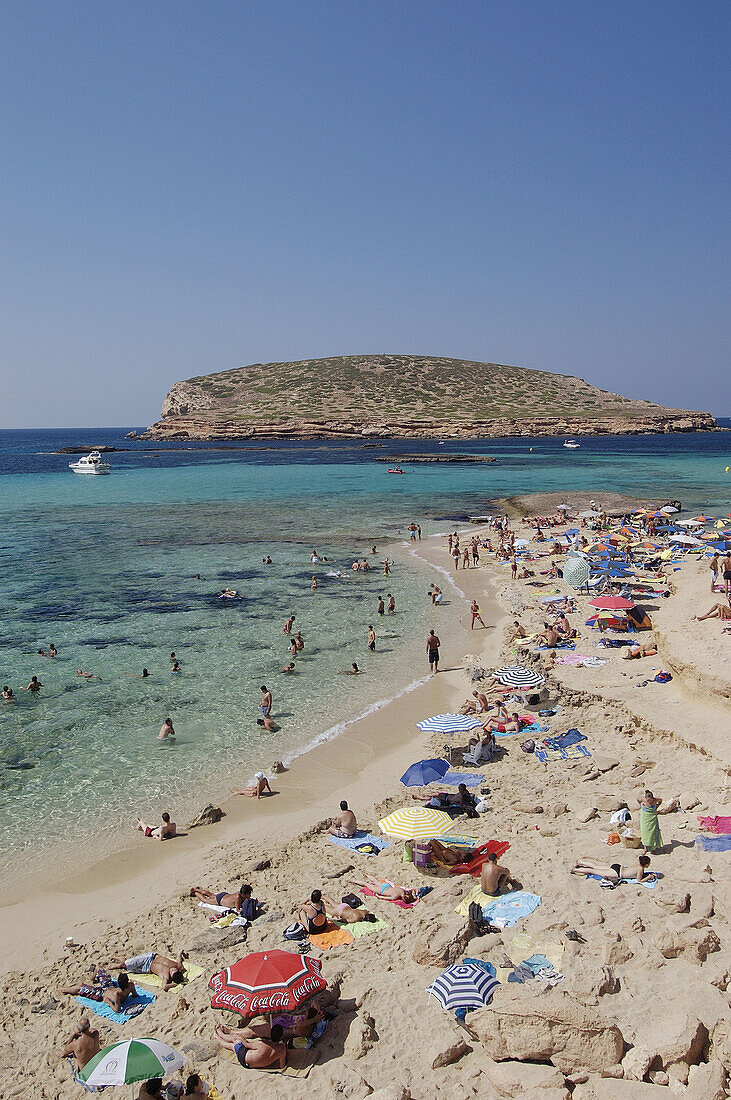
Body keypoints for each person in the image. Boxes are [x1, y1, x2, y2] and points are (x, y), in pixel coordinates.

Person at [60, 969, 136, 1013]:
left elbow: (117, 1010)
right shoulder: (131, 985)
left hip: (102, 994)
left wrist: (108, 1002)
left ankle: (64, 990)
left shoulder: (117, 994)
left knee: (81, 987)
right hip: (109, 987)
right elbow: (135, 995)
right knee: (99, 969)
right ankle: (92, 978)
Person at [214, 1025, 287, 1070]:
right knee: (236, 1043)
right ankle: (221, 1035)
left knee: (234, 1042)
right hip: (253, 1065)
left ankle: (218, 1036)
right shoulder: (282, 1050)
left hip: (244, 1059)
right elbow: (282, 1066)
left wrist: (240, 1037)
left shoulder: (262, 1044)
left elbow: (246, 1044)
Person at [109, 950, 187, 991]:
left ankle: (121, 964)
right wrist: (180, 953)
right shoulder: (178, 966)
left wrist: (174, 985)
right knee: (127, 964)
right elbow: (178, 959)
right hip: (150, 957)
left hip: (147, 967)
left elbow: (164, 987)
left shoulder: (166, 977)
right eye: (174, 970)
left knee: (128, 968)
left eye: (172, 972)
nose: (171, 969)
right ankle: (120, 963)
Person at [570, 853, 653, 884]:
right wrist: (648, 877)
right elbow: (639, 880)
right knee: (593, 871)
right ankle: (575, 870)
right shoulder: (640, 869)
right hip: (617, 873)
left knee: (596, 866)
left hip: (618, 866)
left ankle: (581, 862)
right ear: (645, 864)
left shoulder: (638, 862)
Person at [191, 883, 262, 918]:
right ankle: (196, 893)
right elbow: (238, 909)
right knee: (206, 900)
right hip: (220, 900)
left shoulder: (240, 894)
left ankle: (195, 889)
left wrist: (254, 903)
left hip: (225, 895)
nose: (250, 895)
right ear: (244, 894)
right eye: (249, 894)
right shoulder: (238, 897)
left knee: (211, 894)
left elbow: (247, 901)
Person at [351, 876, 418, 903]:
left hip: (386, 886)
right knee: (367, 884)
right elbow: (385, 897)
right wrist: (378, 896)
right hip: (382, 891)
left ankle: (366, 874)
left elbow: (412, 891)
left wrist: (414, 896)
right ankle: (353, 881)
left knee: (375, 880)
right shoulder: (395, 896)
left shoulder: (403, 890)